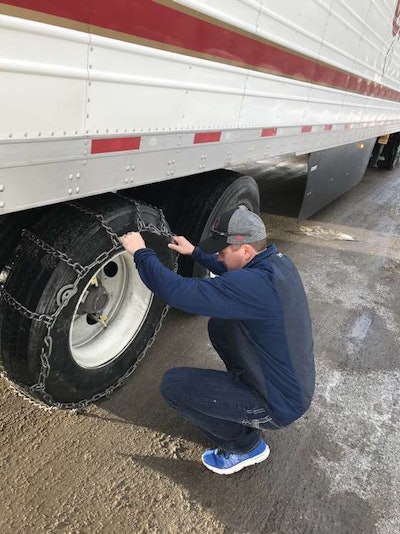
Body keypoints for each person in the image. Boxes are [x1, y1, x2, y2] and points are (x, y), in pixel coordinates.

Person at [120, 206, 315, 475]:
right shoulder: (277, 263)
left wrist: (141, 252)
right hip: (290, 387)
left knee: (173, 385)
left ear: (245, 250)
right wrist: (196, 254)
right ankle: (241, 396)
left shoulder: (255, 285)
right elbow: (233, 274)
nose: (218, 257)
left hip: (278, 406)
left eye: (222, 252)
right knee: (222, 324)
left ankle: (246, 446)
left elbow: (175, 291)